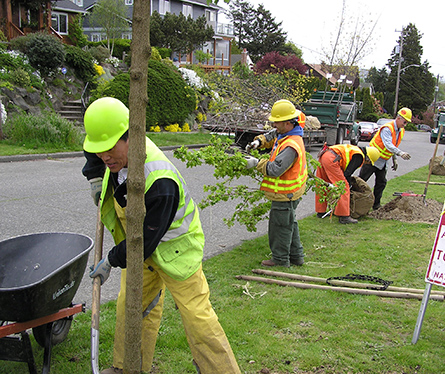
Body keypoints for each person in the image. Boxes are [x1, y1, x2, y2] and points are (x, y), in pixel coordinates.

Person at [82, 97, 240, 374]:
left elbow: (140, 243)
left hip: (176, 249)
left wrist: (110, 259)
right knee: (130, 306)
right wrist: (95, 177)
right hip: (141, 247)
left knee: (196, 316)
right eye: (99, 151)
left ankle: (221, 371)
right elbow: (93, 150)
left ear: (130, 135)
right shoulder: (108, 149)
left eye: (109, 150)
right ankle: (128, 366)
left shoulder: (160, 181)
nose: (104, 157)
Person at [245, 100, 307, 267]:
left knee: (280, 227)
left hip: (285, 194)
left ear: (287, 123)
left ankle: (280, 260)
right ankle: (296, 256)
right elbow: (273, 134)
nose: (274, 124)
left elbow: (274, 169)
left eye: (277, 121)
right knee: (289, 223)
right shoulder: (288, 133)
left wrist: (256, 163)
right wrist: (259, 141)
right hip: (290, 192)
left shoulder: (291, 146)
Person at [358, 107, 412, 210]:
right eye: (404, 122)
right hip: (372, 158)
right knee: (361, 181)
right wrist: (400, 153)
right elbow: (388, 144)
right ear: (399, 118)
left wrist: (394, 159)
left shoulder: (400, 131)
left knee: (381, 182)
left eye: (407, 123)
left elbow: (393, 145)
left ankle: (376, 205)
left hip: (382, 161)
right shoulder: (387, 128)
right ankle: (351, 202)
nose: (405, 125)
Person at [315, 144, 380, 223]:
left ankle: (320, 211)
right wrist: (349, 185)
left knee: (323, 183)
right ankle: (344, 216)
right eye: (369, 162)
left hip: (325, 155)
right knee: (343, 186)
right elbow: (347, 173)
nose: (366, 163)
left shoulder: (355, 149)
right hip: (332, 159)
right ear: (368, 157)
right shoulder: (359, 156)